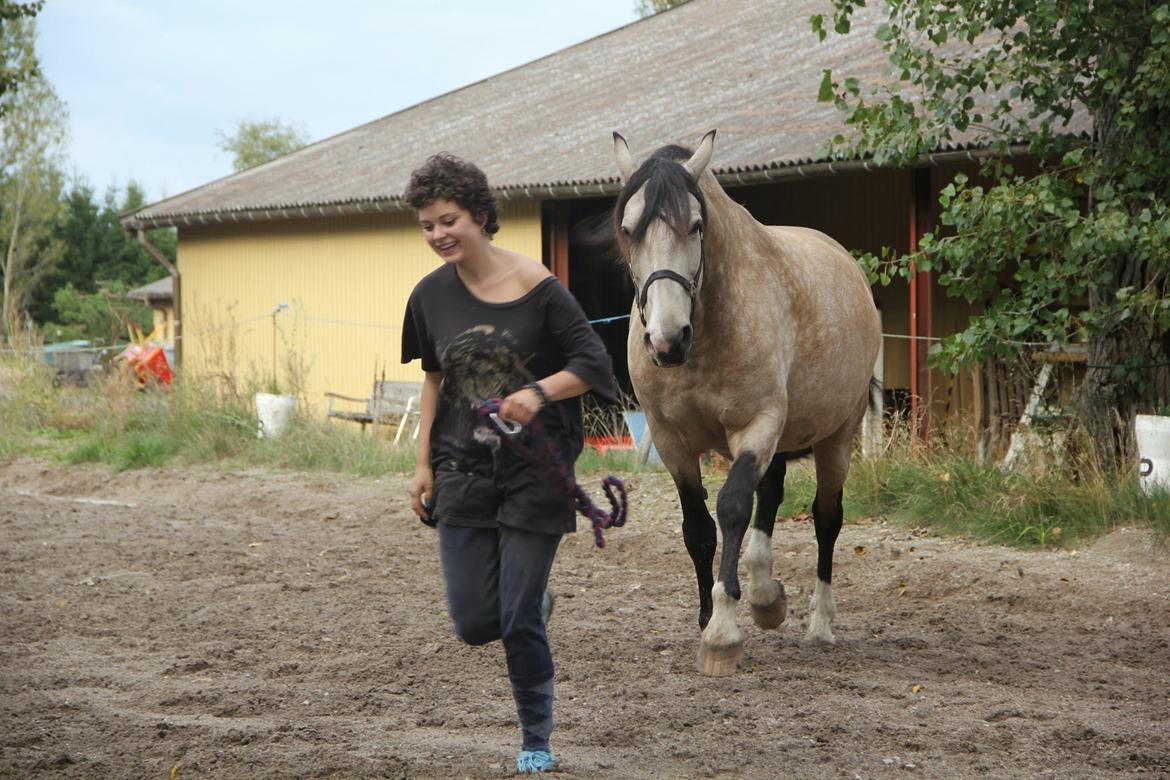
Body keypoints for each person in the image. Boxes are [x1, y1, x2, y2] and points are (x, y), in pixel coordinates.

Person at [400, 152, 617, 775]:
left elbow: (594, 366)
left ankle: (536, 739)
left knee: (517, 617)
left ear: (481, 216)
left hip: (535, 473)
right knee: (473, 623)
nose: (439, 234)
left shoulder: (540, 289)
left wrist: (538, 393)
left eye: (449, 220)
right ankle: (533, 603)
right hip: (461, 468)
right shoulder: (429, 297)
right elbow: (435, 380)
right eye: (428, 225)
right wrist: (423, 465)